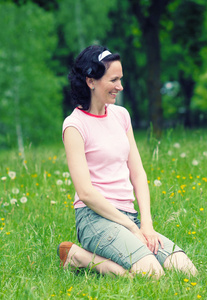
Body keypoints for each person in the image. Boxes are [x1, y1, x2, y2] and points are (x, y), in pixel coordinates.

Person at [58, 45, 197, 278]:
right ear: (91, 81)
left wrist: (146, 225)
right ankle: (81, 258)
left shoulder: (121, 115)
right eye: (113, 80)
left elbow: (138, 173)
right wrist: (132, 228)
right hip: (95, 220)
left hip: (129, 216)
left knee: (186, 271)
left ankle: (91, 258)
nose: (120, 87)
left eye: (121, 79)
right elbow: (86, 193)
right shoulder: (74, 125)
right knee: (152, 275)